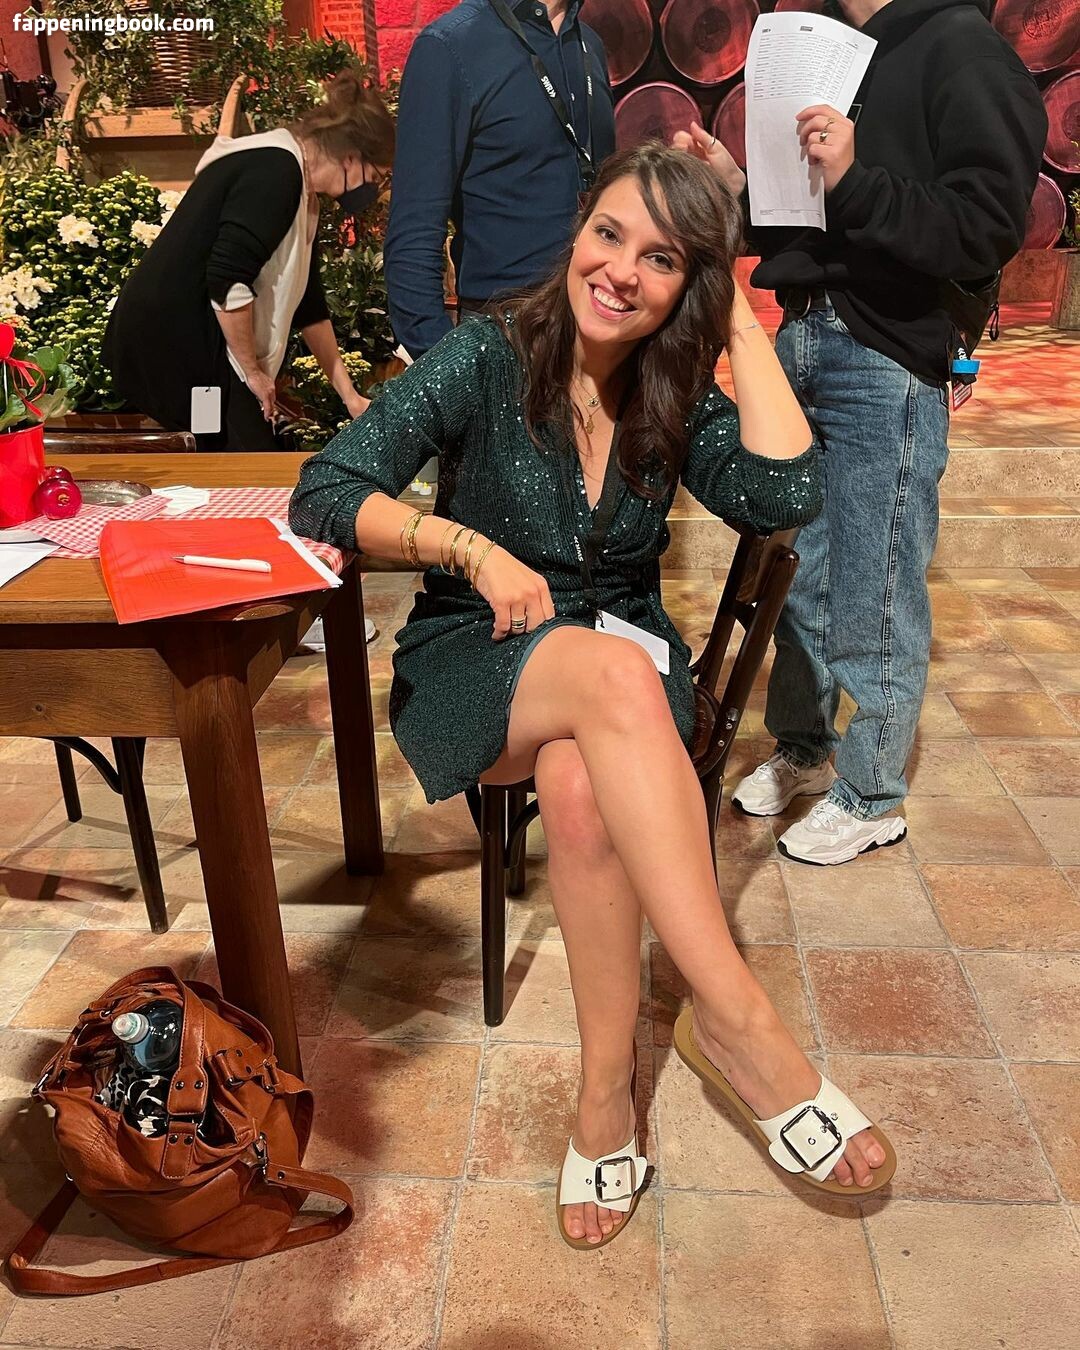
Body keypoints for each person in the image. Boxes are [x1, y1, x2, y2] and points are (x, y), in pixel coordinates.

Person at [291, 144, 895, 1251]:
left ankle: (605, 1098)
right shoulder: (487, 354)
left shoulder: (672, 387)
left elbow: (786, 491)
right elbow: (326, 489)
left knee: (579, 788)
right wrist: (467, 547)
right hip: (480, 652)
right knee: (611, 684)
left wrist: (737, 319)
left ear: (687, 284)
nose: (620, 271)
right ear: (577, 232)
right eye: (608, 234)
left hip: (614, 675)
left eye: (661, 259)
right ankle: (738, 1019)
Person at [675, 0, 1047, 864]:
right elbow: (811, 222)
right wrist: (738, 186)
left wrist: (855, 178)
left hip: (885, 348)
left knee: (876, 579)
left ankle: (874, 791)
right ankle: (805, 747)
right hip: (800, 332)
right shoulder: (836, 47)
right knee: (794, 568)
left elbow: (988, 226)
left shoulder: (962, 46)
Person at [103, 68, 394, 451]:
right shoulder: (276, 171)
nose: (373, 189)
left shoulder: (303, 193)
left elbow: (309, 304)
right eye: (376, 177)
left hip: (202, 346)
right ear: (352, 157)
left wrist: (350, 396)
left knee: (229, 451)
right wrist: (253, 373)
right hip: (182, 347)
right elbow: (227, 279)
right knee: (235, 456)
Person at [383, 0, 615, 360]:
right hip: (504, 337)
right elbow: (414, 232)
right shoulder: (450, 46)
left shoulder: (590, 45)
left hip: (595, 329)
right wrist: (446, 369)